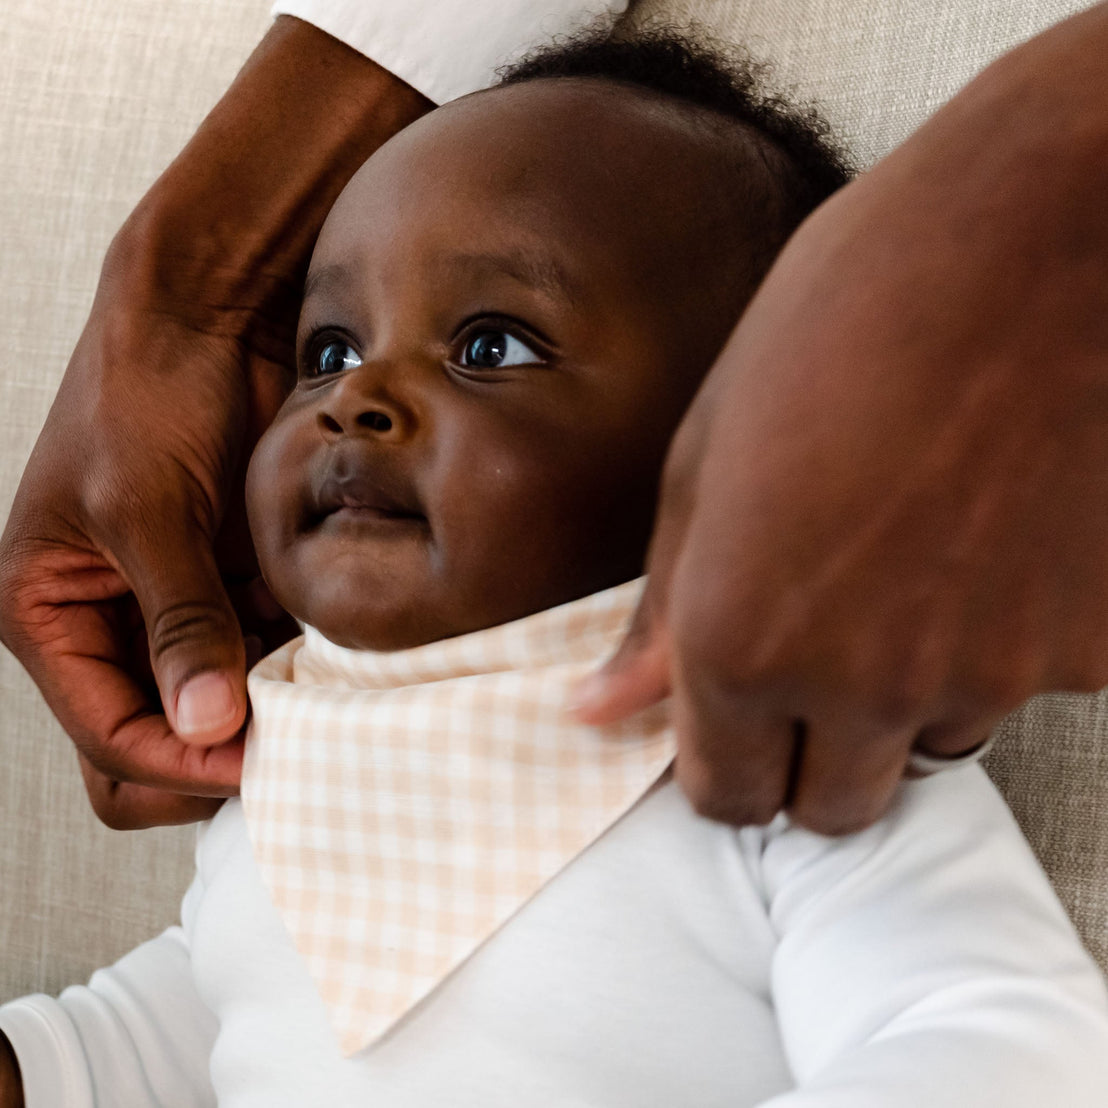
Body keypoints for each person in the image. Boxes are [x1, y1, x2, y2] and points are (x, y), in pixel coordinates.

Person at [2, 31, 1107, 1108]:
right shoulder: (291, 757)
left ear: (749, 446)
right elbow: (182, 1034)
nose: (355, 396)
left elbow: (1002, 1048)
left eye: (489, 346)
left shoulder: (779, 761)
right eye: (328, 349)